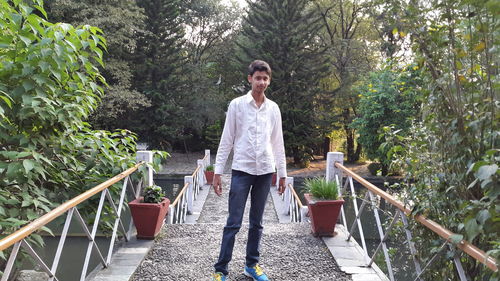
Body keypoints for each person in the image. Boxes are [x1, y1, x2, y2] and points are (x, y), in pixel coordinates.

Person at [212, 60, 287, 281]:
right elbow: (227, 140)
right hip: (241, 170)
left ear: (269, 80)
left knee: (257, 222)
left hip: (265, 171)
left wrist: (282, 174)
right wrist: (217, 172)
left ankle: (251, 265)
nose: (261, 82)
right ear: (250, 79)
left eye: (265, 78)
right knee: (233, 222)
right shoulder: (237, 105)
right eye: (258, 78)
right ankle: (221, 269)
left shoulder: (273, 108)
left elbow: (278, 143)